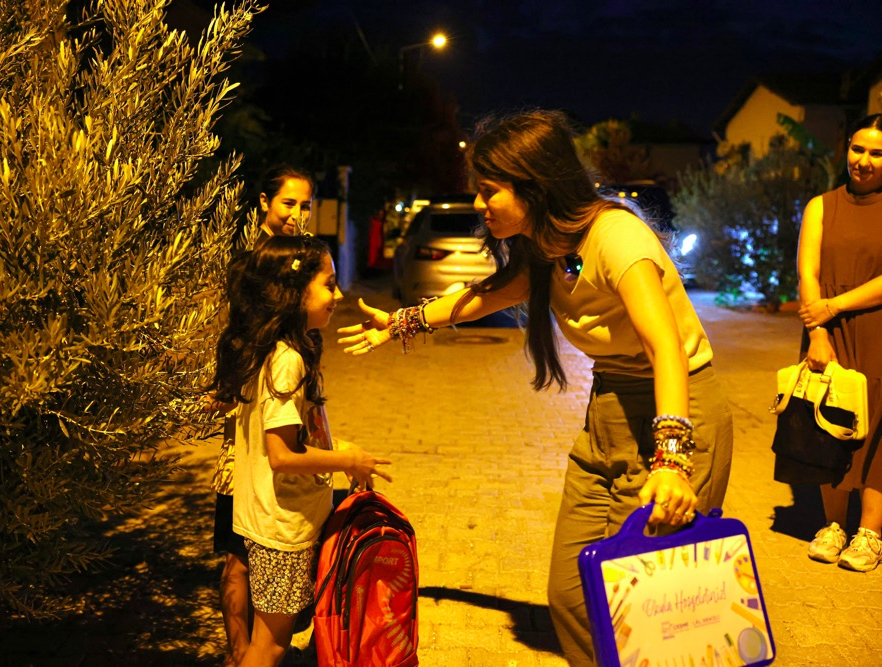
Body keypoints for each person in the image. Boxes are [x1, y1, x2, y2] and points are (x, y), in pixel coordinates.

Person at [338, 109, 733, 666]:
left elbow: (665, 348)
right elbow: (488, 295)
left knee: (647, 605)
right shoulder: (549, 246)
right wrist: (405, 321)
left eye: (489, 190)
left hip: (677, 412)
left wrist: (671, 461)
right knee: (573, 594)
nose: (479, 203)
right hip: (608, 417)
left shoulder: (617, 236)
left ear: (535, 185)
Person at [211, 235, 392, 667]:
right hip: (281, 530)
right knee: (270, 645)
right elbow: (282, 456)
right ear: (293, 292)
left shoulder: (271, 348)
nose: (338, 295)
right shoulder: (287, 359)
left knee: (269, 638)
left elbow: (293, 440)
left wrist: (341, 450)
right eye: (329, 284)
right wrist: (348, 460)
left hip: (270, 521)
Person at [212, 164, 316, 666]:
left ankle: (263, 646)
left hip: (286, 416)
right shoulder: (248, 265)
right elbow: (231, 338)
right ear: (264, 203)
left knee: (274, 556)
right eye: (288, 203)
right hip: (246, 427)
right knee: (237, 560)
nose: (297, 214)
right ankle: (240, 655)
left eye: (305, 205)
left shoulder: (308, 259)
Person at [797, 113, 882, 572]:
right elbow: (807, 272)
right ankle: (833, 525)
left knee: (878, 431)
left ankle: (870, 534)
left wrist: (832, 306)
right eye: (857, 149)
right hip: (825, 332)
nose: (863, 160)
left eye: (877, 153)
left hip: (877, 331)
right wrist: (818, 330)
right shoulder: (821, 206)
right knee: (826, 423)